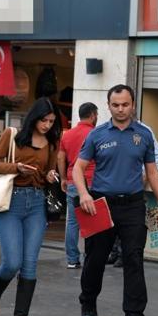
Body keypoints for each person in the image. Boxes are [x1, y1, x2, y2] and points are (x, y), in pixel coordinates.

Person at [74, 84, 158, 316]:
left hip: (133, 205)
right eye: (115, 105)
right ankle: (88, 302)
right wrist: (84, 194)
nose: (120, 109)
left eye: (125, 104)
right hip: (101, 204)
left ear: (133, 105)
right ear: (108, 106)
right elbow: (77, 168)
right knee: (95, 258)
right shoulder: (96, 135)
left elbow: (151, 172)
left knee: (134, 260)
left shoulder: (144, 135)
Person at [0, 97, 61, 316]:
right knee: (12, 262)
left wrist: (50, 176)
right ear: (34, 117)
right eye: (44, 120)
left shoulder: (51, 142)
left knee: (29, 264)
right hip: (11, 202)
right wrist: (17, 168)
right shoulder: (12, 134)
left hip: (36, 203)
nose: (47, 125)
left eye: (51, 121)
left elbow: (48, 171)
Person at [109, 116, 158, 269]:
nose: (121, 110)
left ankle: (122, 254)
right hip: (114, 185)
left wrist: (145, 173)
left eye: (125, 105)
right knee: (112, 220)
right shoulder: (108, 130)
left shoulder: (144, 131)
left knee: (129, 222)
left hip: (134, 186)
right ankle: (113, 252)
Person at [58, 102, 98, 269]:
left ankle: (72, 259)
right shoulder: (95, 133)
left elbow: (60, 158)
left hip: (73, 181)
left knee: (72, 222)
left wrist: (63, 179)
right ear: (93, 115)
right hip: (92, 181)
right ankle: (91, 256)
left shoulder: (67, 134)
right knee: (93, 221)